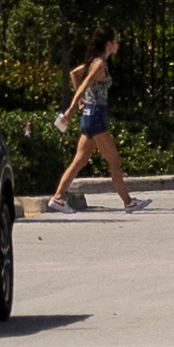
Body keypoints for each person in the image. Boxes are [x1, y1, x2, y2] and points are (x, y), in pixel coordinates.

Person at [46, 31, 143, 213]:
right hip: (96, 117)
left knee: (79, 161)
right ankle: (129, 202)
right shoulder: (99, 64)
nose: (118, 44)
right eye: (115, 41)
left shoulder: (94, 62)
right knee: (115, 161)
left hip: (89, 116)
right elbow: (83, 83)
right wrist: (73, 106)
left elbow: (74, 73)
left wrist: (82, 100)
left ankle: (58, 198)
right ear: (108, 44)